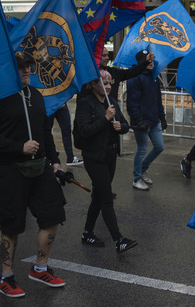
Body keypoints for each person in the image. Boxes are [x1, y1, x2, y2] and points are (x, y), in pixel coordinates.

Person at [0, 52, 68, 298]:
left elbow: (45, 131)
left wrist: (55, 161)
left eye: (29, 67)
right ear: (11, 71)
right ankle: (5, 277)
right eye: (22, 68)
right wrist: (18, 147)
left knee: (53, 215)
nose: (27, 71)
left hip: (40, 167)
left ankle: (40, 268)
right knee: (11, 225)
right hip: (9, 169)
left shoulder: (38, 96)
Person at [75, 70, 137, 253]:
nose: (108, 86)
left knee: (99, 196)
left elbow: (125, 125)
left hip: (109, 156)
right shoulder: (85, 104)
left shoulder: (112, 103)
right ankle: (119, 240)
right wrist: (106, 119)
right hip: (94, 157)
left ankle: (87, 232)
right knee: (107, 198)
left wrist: (120, 127)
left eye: (110, 83)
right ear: (93, 84)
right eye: (104, 83)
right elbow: (85, 131)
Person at [127, 50, 166, 191]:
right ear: (141, 62)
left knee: (159, 147)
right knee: (142, 149)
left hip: (153, 120)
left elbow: (158, 99)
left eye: (152, 59)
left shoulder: (154, 76)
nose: (151, 62)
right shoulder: (134, 78)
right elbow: (132, 103)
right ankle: (136, 179)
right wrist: (138, 121)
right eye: (147, 59)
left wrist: (162, 117)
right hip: (141, 122)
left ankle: (142, 169)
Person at [77, 46, 154, 102]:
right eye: (104, 55)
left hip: (111, 117)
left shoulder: (113, 72)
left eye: (108, 55)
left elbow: (131, 72)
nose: (107, 58)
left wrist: (146, 62)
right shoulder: (87, 76)